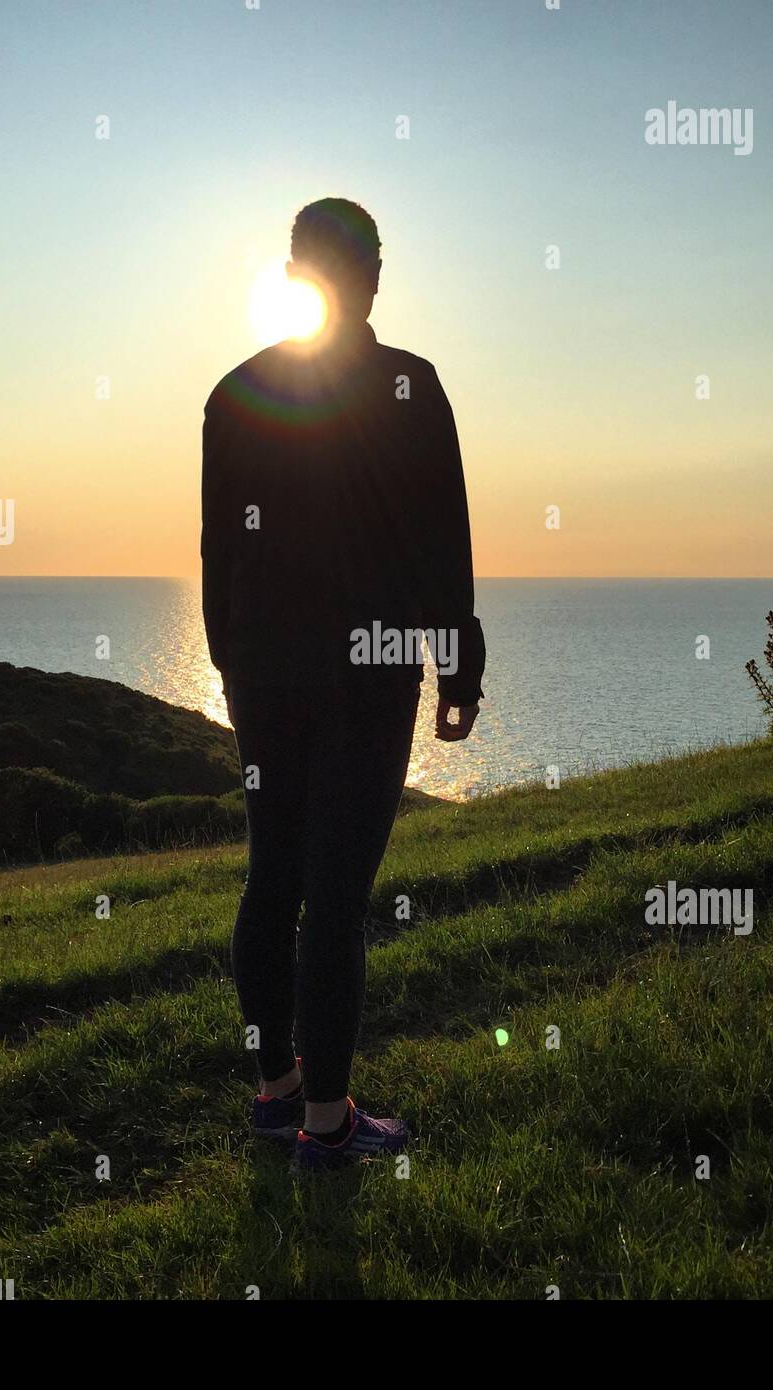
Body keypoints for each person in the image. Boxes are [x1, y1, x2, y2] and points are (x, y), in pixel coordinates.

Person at [200, 197, 485, 1171]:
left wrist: (229, 660)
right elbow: (437, 542)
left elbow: (215, 552)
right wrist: (459, 666)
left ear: (294, 274)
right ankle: (327, 1124)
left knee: (271, 876)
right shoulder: (409, 386)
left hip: (264, 671)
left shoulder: (234, 392)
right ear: (368, 273)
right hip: (365, 669)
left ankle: (278, 1092)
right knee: (331, 899)